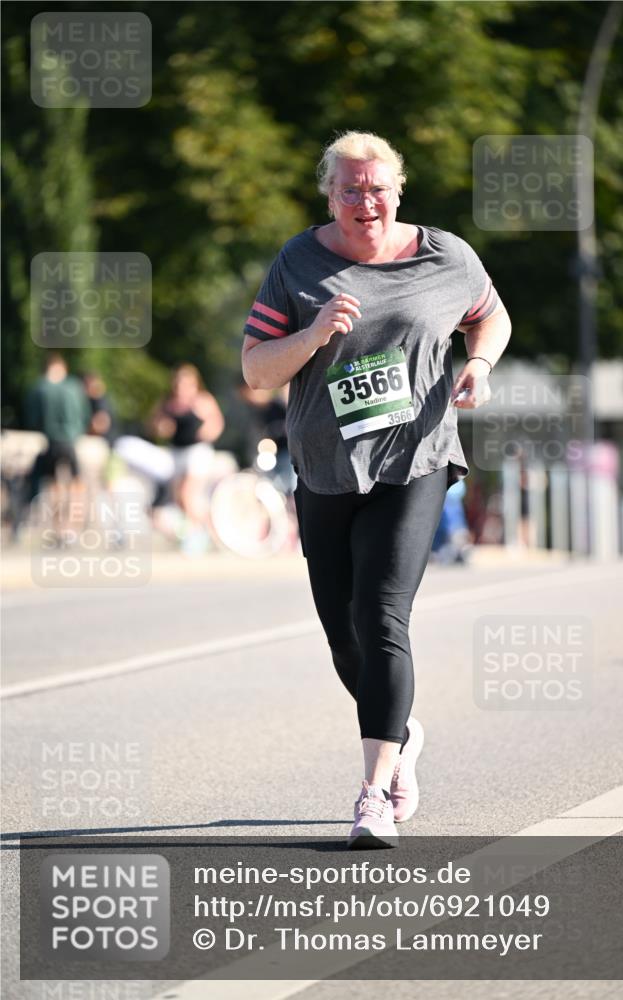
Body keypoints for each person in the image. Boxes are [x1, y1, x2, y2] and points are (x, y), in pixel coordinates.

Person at [241, 131, 511, 848]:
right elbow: (257, 370)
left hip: (414, 458)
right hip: (326, 470)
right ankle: (398, 731)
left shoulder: (444, 256)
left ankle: (372, 795)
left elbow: (490, 313)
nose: (367, 201)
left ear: (398, 191)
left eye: (377, 188)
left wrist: (478, 365)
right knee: (344, 638)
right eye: (351, 190)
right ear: (330, 195)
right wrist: (314, 334)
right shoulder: (299, 262)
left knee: (382, 612)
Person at [149, 364, 224, 543]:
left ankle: (198, 534)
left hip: (197, 452)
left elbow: (217, 423)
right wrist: (162, 428)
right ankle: (208, 531)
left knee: (188, 492)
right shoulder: (168, 404)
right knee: (181, 498)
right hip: (177, 451)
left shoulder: (202, 401)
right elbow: (154, 424)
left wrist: (207, 431)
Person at [25, 353, 90, 538]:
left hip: (51, 440)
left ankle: (59, 528)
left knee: (55, 485)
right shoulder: (74, 386)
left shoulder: (39, 388)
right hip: (71, 440)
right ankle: (74, 527)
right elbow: (84, 414)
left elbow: (33, 419)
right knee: (76, 483)